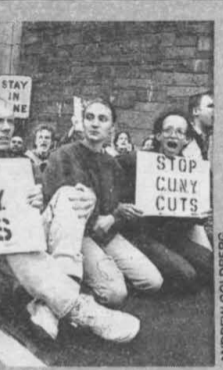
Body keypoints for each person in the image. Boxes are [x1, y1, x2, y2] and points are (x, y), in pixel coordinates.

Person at [0, 98, 141, 343]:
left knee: (71, 194)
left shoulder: (24, 166)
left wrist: (80, 199)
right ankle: (77, 307)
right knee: (12, 233)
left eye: (10, 122)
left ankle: (51, 305)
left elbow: (51, 216)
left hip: (33, 260)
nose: (6, 127)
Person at [42, 98, 163, 307]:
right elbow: (55, 204)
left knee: (153, 281)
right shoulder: (62, 156)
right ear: (82, 123)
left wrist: (114, 217)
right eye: (89, 118)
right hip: (78, 236)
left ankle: (102, 272)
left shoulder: (112, 164)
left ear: (112, 128)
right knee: (116, 293)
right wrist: (98, 219)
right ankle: (80, 292)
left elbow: (119, 205)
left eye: (102, 119)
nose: (95, 123)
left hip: (106, 233)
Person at [114, 110, 212, 292]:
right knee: (186, 275)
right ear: (158, 135)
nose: (173, 135)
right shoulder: (136, 161)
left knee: (213, 267)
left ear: (186, 140)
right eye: (168, 130)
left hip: (174, 237)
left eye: (180, 132)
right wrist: (120, 206)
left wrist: (200, 214)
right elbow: (107, 171)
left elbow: (194, 215)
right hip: (142, 236)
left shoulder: (191, 171)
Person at [183, 91, 213, 160]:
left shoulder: (210, 138)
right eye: (210, 106)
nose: (215, 110)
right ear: (196, 111)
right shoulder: (185, 135)